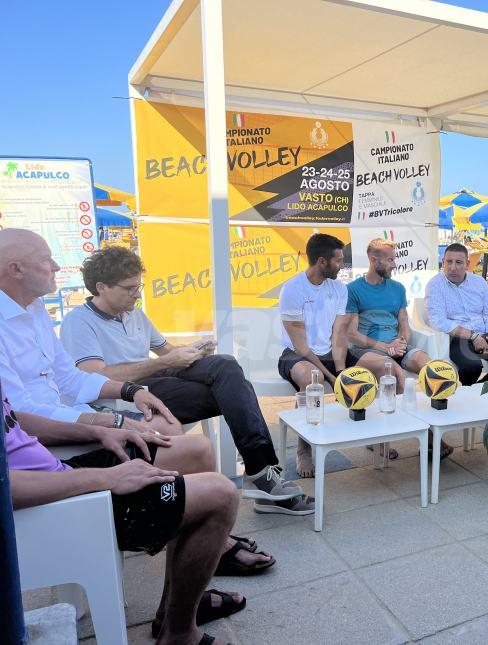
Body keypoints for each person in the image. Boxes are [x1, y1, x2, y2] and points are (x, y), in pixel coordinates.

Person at [59, 245, 312, 515]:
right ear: (102, 287)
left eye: (139, 287)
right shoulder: (79, 322)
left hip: (156, 380)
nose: (137, 294)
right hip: (125, 397)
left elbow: (166, 350)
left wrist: (194, 349)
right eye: (130, 288)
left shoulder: (134, 313)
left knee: (225, 365)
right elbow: (94, 375)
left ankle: (261, 472)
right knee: (234, 390)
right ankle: (262, 475)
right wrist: (166, 362)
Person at [6, 393, 243, 645]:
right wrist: (107, 478)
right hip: (51, 507)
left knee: (196, 451)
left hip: (60, 472)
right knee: (222, 494)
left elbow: (13, 419)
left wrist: (96, 432)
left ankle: (173, 612)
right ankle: (180, 635)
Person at [0, 229, 178, 436]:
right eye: (46, 260)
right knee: (183, 440)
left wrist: (130, 390)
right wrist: (104, 422)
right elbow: (18, 413)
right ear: (16, 270)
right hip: (36, 437)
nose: (56, 267)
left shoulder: (35, 309)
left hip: (66, 416)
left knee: (175, 426)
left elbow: (69, 377)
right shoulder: (75, 319)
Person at [278, 233, 356, 478]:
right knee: (313, 379)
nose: (341, 265)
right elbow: (302, 348)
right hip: (295, 354)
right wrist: (330, 379)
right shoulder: (292, 289)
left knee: (375, 368)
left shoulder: (339, 289)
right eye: (338, 260)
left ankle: (372, 436)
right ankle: (304, 449)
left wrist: (341, 370)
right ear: (322, 262)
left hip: (329, 353)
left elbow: (339, 333)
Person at [346, 238, 431, 390]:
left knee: (430, 367)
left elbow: (404, 323)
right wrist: (386, 348)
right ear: (373, 260)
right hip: (365, 351)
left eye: (394, 259)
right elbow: (352, 334)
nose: (394, 265)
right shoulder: (352, 289)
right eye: (390, 260)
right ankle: (399, 412)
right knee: (392, 372)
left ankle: (435, 410)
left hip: (395, 347)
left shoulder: (398, 288)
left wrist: (401, 343)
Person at [425, 243, 488, 387]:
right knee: (472, 367)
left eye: (458, 262)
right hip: (458, 337)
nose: (453, 267)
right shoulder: (435, 285)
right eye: (449, 262)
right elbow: (438, 321)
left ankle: (481, 390)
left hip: (485, 334)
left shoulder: (479, 283)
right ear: (443, 262)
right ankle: (470, 394)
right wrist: (473, 336)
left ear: (467, 264)